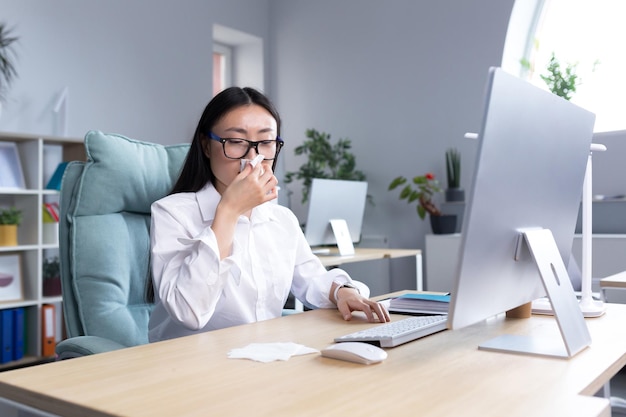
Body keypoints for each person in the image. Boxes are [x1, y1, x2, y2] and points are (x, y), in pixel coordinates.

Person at [148, 86, 389, 342]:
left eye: (265, 143)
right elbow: (189, 312)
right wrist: (229, 211)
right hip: (188, 365)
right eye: (237, 142)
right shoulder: (172, 213)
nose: (252, 159)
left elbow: (312, 279)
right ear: (206, 146)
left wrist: (342, 291)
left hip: (262, 357)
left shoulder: (281, 219)